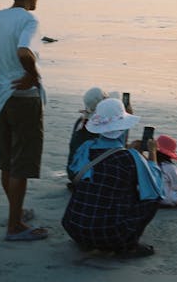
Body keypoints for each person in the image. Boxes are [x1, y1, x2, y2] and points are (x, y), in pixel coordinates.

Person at [0, 0, 48, 242]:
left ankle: (16, 211)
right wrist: (33, 76)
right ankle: (15, 226)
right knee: (21, 163)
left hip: (0, 98)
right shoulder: (28, 20)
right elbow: (24, 51)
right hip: (24, 101)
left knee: (7, 161)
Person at [62, 97, 163, 257]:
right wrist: (152, 153)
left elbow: (80, 172)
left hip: (74, 226)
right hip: (108, 234)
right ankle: (129, 245)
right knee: (152, 197)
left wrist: (127, 149)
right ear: (123, 127)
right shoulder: (131, 157)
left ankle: (87, 239)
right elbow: (156, 186)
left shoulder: (86, 148)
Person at [66, 88, 134, 182]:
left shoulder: (81, 121)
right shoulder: (98, 126)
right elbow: (117, 146)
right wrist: (125, 121)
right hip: (86, 176)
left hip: (73, 171)